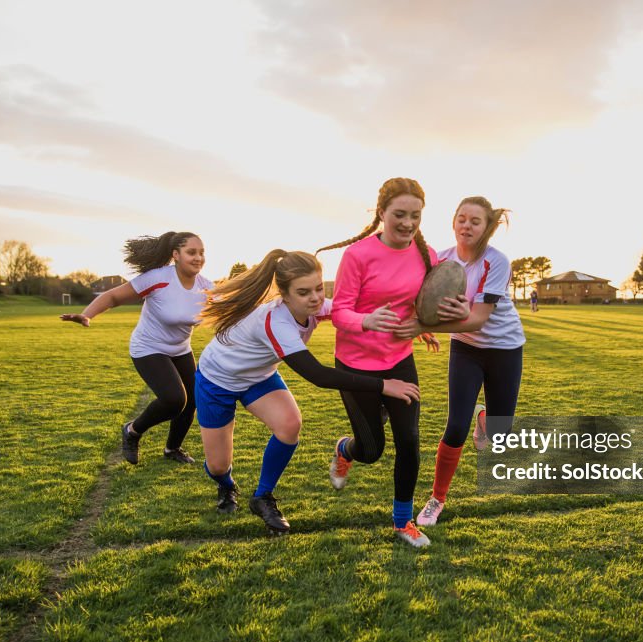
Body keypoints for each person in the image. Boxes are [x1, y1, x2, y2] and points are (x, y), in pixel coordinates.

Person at [195, 250, 420, 535]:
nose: (314, 298)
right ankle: (226, 487)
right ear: (285, 295)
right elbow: (318, 375)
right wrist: (383, 386)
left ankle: (262, 497)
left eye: (318, 288)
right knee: (217, 466)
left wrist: (410, 326)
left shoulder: (315, 307)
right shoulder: (276, 321)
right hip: (218, 380)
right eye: (303, 292)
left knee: (290, 425)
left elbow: (351, 314)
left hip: (258, 378)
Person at [316, 177, 469, 548]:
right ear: (381, 212)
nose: (407, 223)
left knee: (410, 441)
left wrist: (428, 325)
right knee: (372, 450)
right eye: (399, 214)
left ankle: (403, 523)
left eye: (415, 215)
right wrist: (364, 321)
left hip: (399, 361)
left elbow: (423, 303)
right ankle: (345, 451)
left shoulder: (426, 254)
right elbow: (340, 313)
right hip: (354, 364)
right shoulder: (358, 255)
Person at [390, 197, 525, 527]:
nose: (467, 226)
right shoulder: (441, 260)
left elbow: (477, 319)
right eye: (461, 219)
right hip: (465, 349)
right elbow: (422, 299)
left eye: (475, 221)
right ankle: (437, 499)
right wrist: (423, 325)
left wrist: (424, 326)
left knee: (501, 433)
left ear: (487, 228)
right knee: (455, 426)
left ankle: (486, 421)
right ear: (453, 223)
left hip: (505, 348)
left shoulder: (497, 262)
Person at [61, 231, 212, 465]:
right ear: (176, 255)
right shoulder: (157, 278)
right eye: (191, 252)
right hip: (148, 348)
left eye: (201, 253)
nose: (198, 258)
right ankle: (132, 431)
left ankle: (173, 449)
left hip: (180, 349)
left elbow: (234, 307)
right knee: (174, 399)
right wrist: (87, 315)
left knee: (193, 399)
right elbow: (113, 297)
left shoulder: (206, 287)